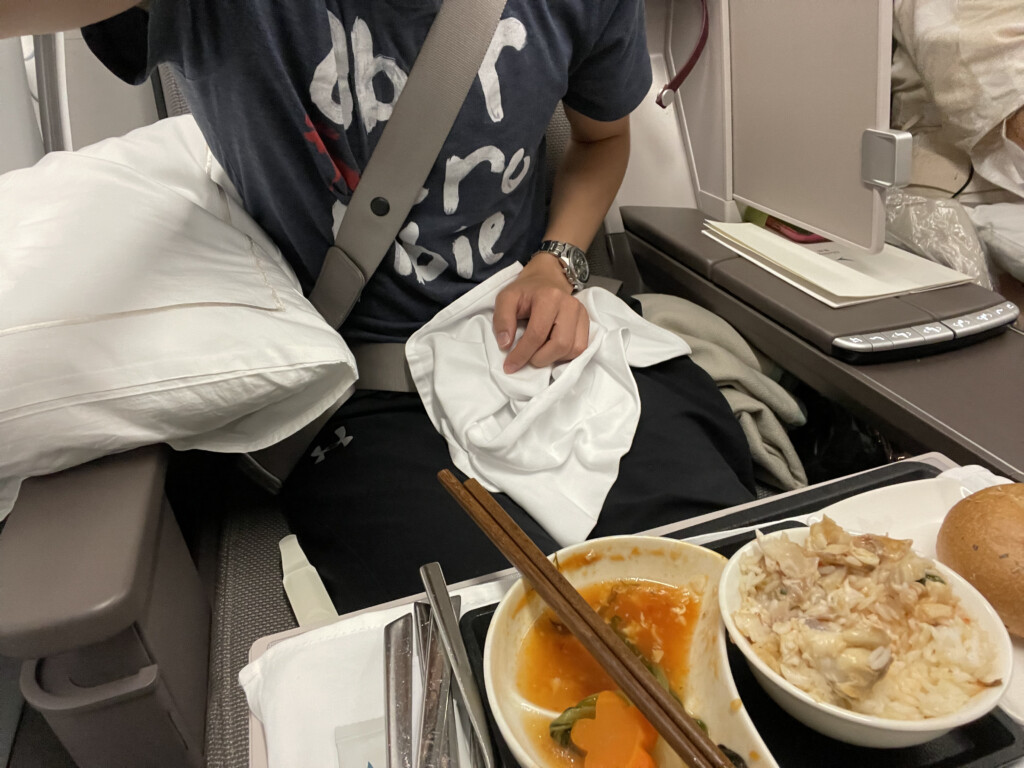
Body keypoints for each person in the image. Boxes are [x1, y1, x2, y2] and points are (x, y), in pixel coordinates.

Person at [1, 0, 756, 611]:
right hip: (366, 389)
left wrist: (557, 263)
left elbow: (603, 139)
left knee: (733, 579)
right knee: (497, 642)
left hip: (543, 345)